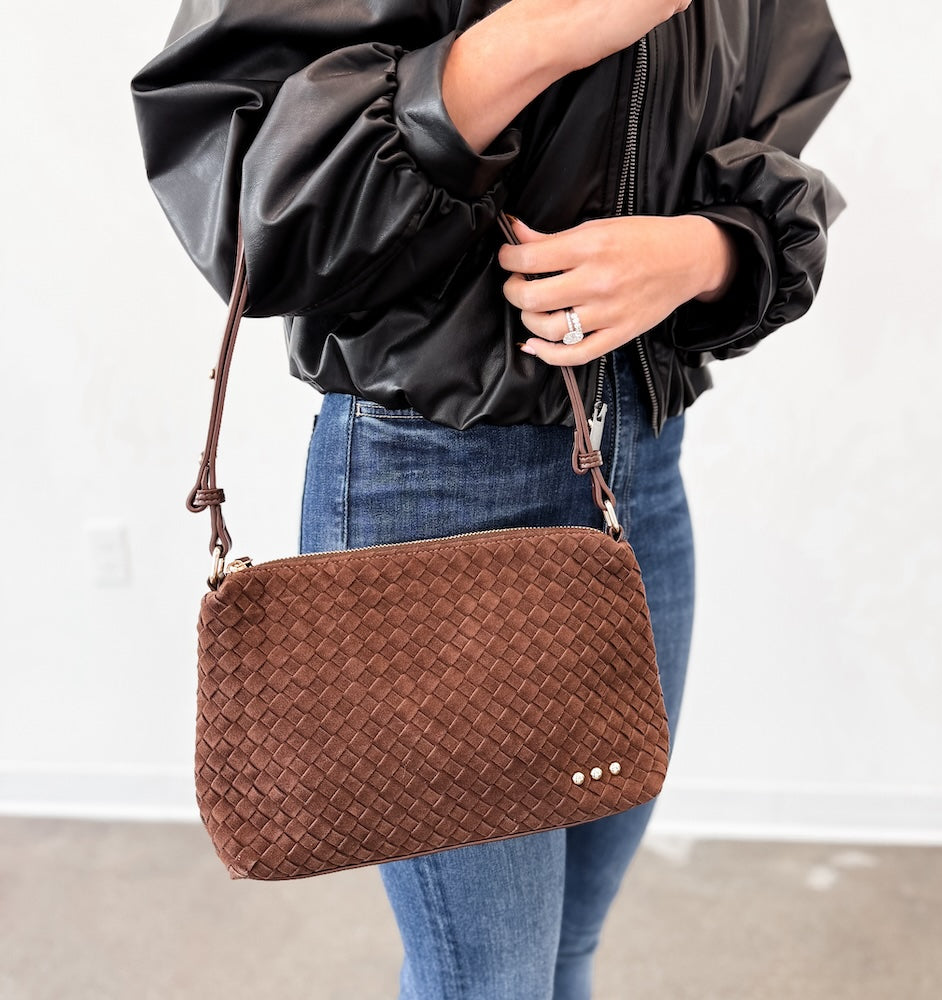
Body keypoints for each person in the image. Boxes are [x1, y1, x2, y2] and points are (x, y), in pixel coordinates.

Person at [131, 1, 850, 996]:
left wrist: (706, 252)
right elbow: (254, 204)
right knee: (490, 980)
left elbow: (775, 134)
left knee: (567, 948)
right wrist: (550, 32)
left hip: (637, 469)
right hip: (433, 480)